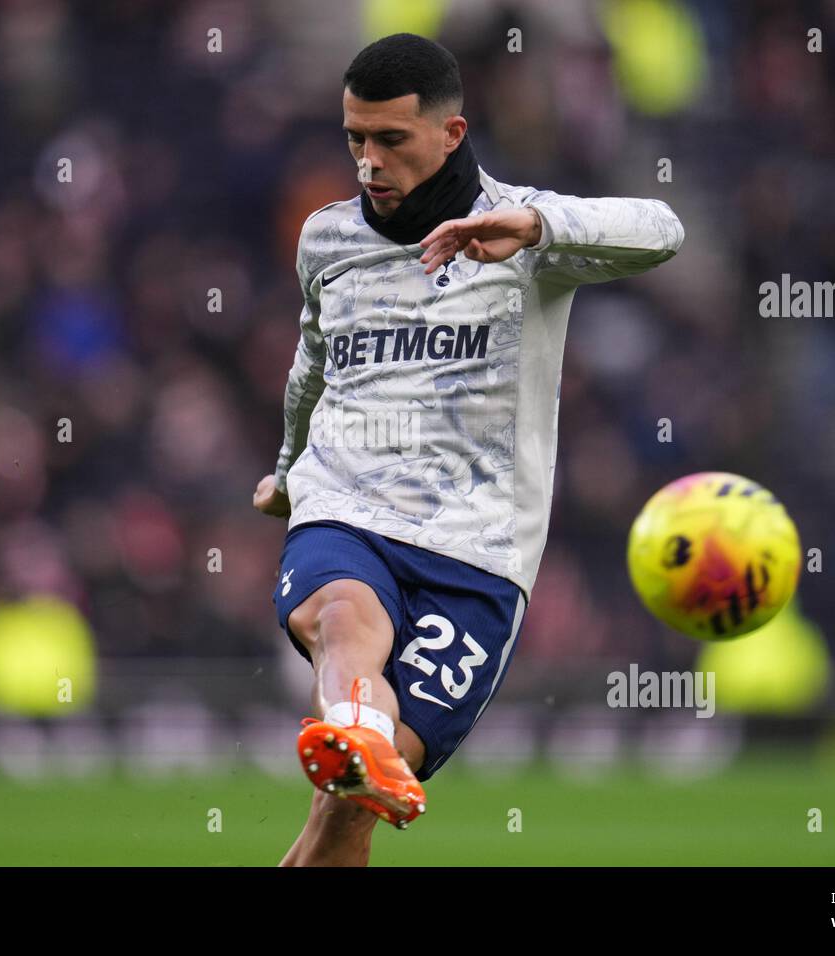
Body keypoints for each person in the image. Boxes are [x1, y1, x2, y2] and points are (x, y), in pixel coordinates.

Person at [252, 32, 684, 866]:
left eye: (390, 140)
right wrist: (284, 468)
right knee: (344, 615)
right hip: (347, 507)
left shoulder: (522, 232)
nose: (367, 163)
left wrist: (535, 226)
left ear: (450, 134)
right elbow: (310, 368)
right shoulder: (327, 240)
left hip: (479, 551)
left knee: (345, 815)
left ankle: (361, 747)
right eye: (354, 140)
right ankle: (359, 732)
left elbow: (662, 229)